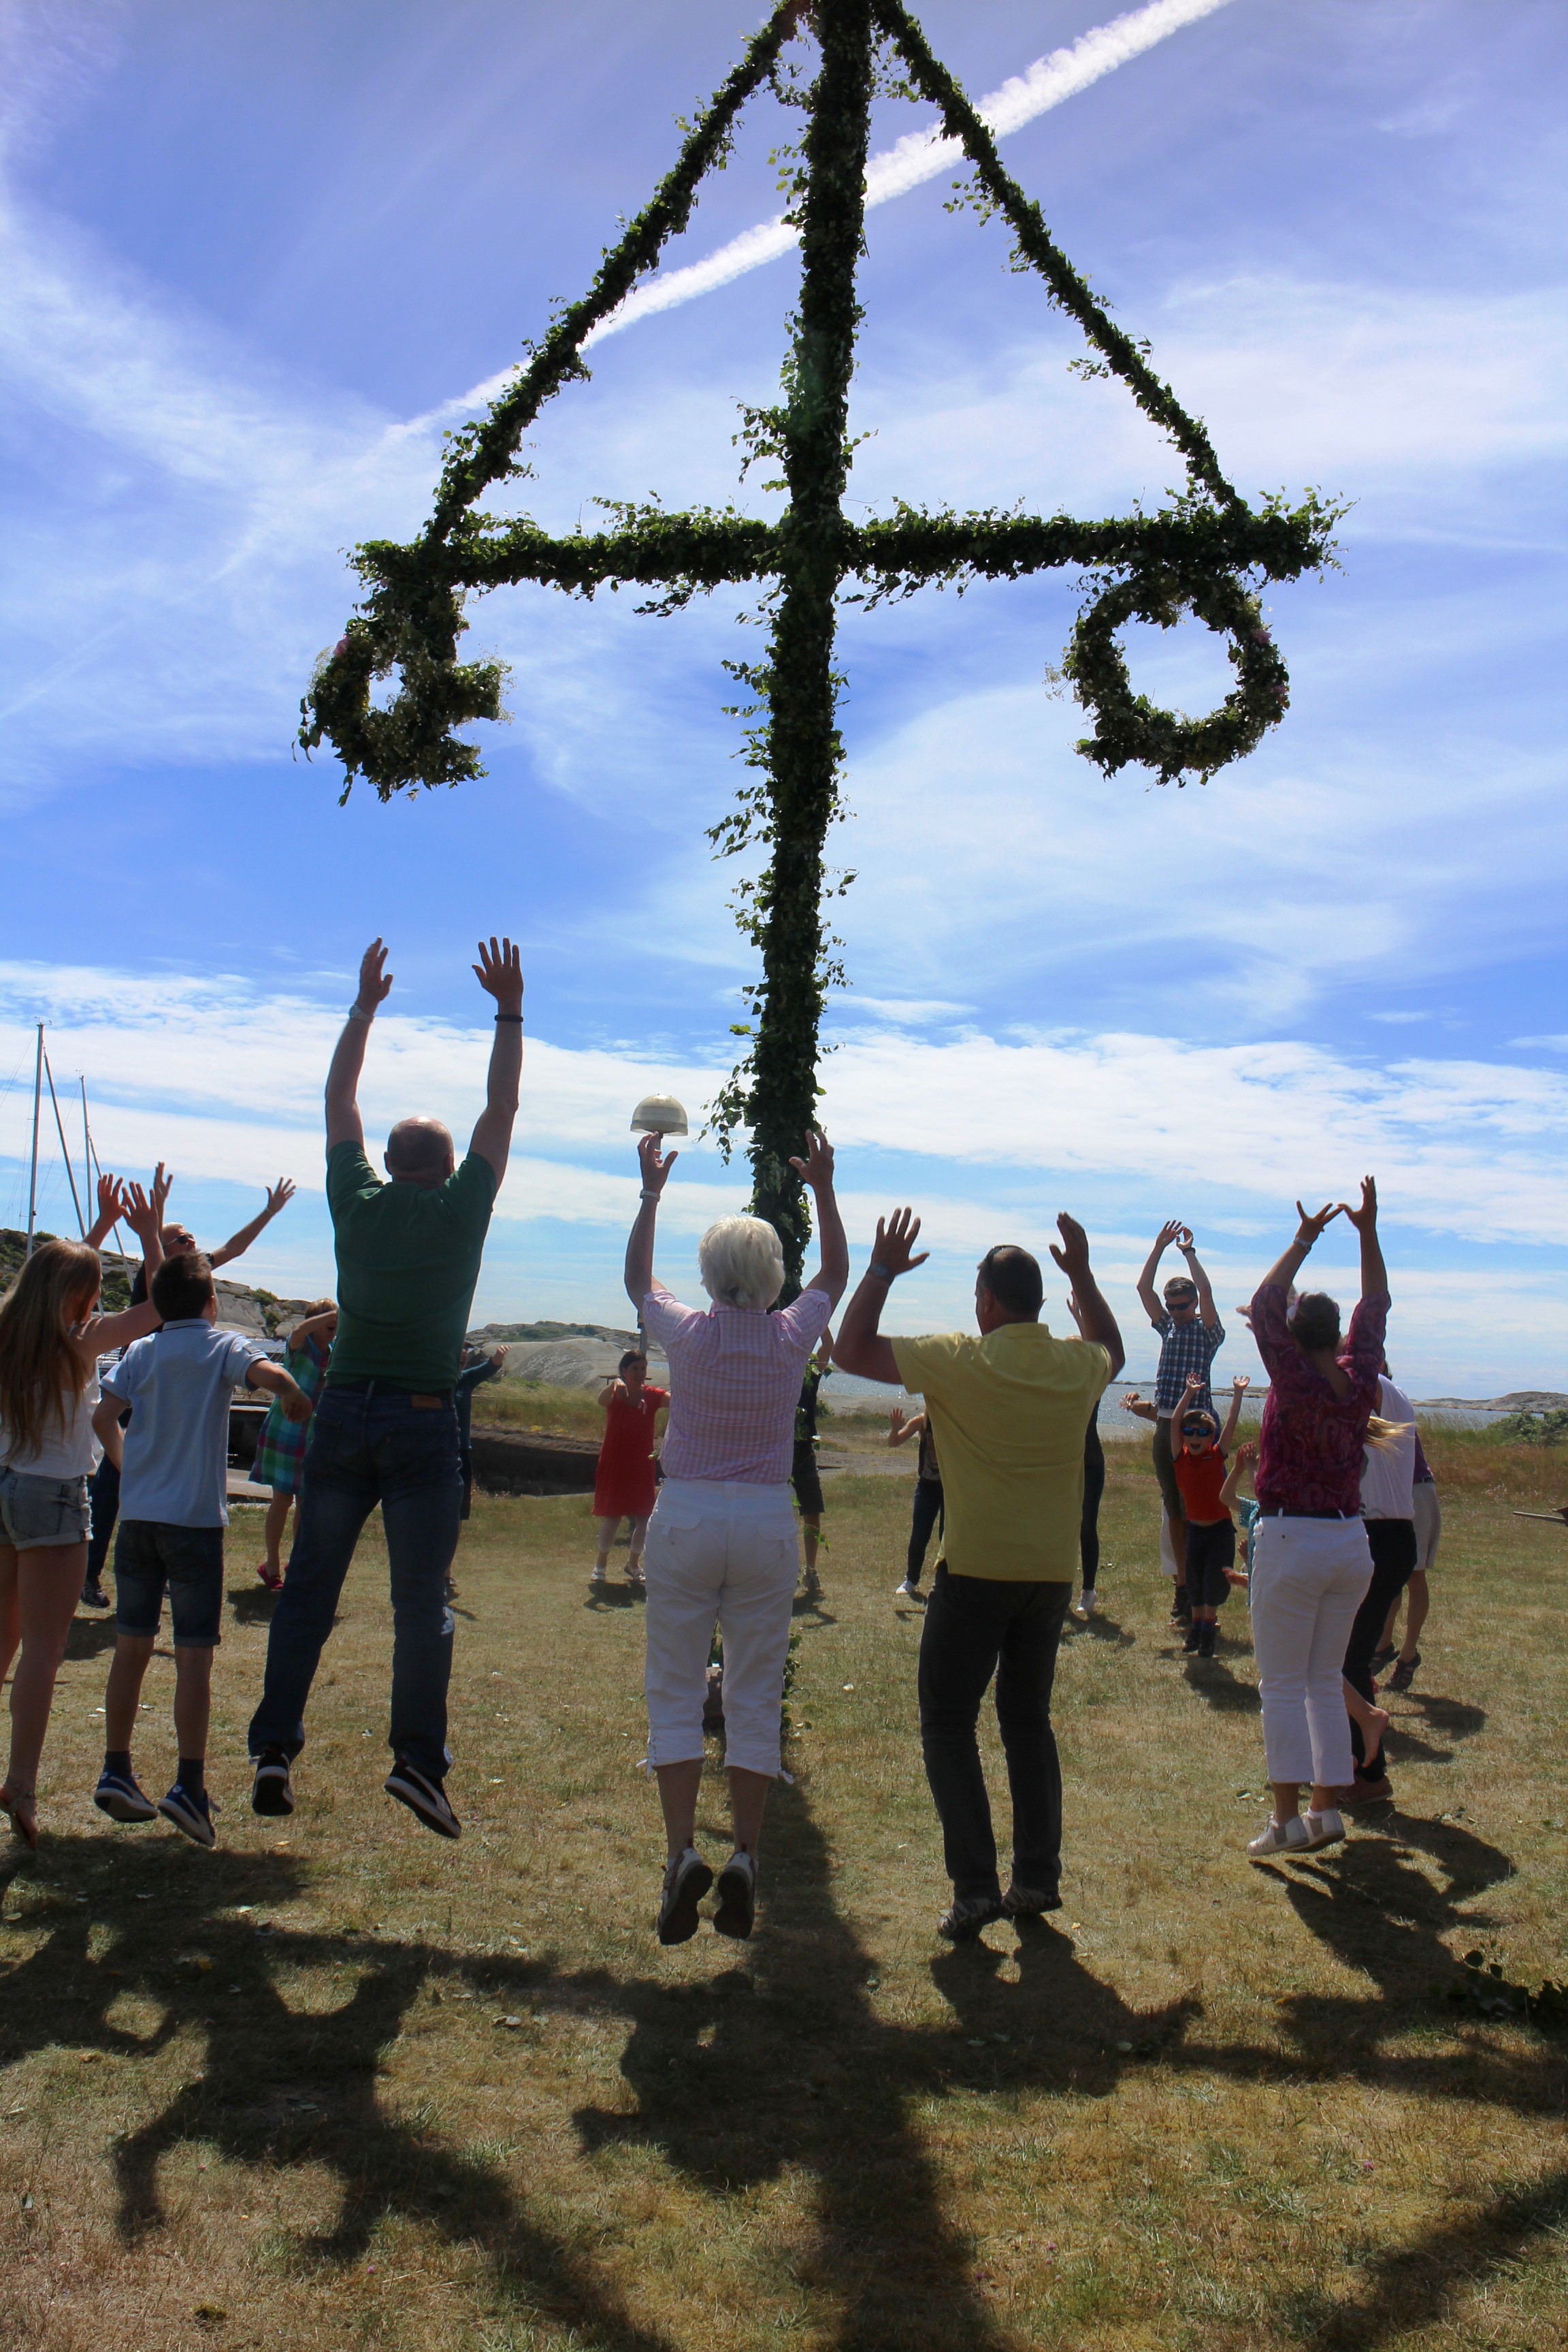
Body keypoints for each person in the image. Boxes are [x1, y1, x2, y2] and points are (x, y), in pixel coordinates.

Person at [246, 934, 524, 1842]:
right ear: (447, 1171)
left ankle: (275, 1750)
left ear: (389, 1161)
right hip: (418, 1422)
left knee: (310, 1592)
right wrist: (508, 1010)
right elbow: (502, 1104)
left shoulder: (354, 1200)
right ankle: (415, 1764)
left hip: (342, 1413)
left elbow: (338, 1100)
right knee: (422, 1604)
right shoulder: (462, 1209)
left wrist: (364, 1006)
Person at [834, 1212, 1124, 1942]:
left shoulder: (961, 1359)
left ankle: (974, 1889)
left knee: (947, 1722)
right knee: (1028, 1723)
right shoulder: (1072, 1366)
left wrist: (881, 1272)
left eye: (976, 1293)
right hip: (1049, 1579)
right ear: (1035, 1301)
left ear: (989, 1302)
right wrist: (1082, 1276)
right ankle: (1035, 1880)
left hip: (976, 1575)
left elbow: (850, 1349)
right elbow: (1113, 1350)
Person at [627, 1126, 847, 1946]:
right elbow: (835, 1275)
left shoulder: (688, 1334)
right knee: (754, 1694)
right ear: (771, 1278)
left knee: (675, 1687)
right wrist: (822, 1188)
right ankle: (746, 1856)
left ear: (711, 1277)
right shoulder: (791, 1336)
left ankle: (683, 1849)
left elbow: (634, 1279)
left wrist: (650, 1194)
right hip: (762, 1518)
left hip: (684, 1513)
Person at [90, 1253, 310, 1844]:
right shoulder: (223, 1346)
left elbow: (104, 1417)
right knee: (193, 1658)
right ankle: (189, 1785)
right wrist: (292, 1392)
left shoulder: (141, 1351)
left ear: (160, 1303)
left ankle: (116, 1767)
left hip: (137, 1520)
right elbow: (269, 1376)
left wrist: (127, 1463)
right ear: (212, 1304)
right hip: (193, 1524)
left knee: (131, 1647)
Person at [0, 1188, 165, 1846]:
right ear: (81, 1297)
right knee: (43, 1651)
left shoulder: (9, 1329)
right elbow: (159, 1311)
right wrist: (149, 1235)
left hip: (3, 1484)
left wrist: (96, 1230)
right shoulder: (83, 1341)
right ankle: (22, 1785)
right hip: (52, 1494)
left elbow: (53, 1275)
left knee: (4, 1641)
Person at [1243, 1178, 1387, 1863]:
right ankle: (1326, 1810)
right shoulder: (1360, 1379)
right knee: (1325, 1680)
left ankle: (1285, 1821)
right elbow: (1377, 1303)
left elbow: (1268, 1300)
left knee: (1282, 1685)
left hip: (1293, 1539)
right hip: (1349, 1543)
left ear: (1296, 1340)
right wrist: (1367, 1231)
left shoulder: (1292, 1377)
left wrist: (1305, 1238)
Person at [82, 1164, 298, 1609]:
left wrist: (270, 1211)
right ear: (162, 1250)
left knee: (158, 1474)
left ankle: (157, 1565)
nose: (192, 1243)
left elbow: (235, 1247)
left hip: (168, 1380)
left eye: (190, 1237)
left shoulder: (194, 1270)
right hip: (140, 1379)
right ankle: (90, 1573)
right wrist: (153, 1222)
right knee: (110, 1482)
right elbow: (162, 1297)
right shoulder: (157, 1279)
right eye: (181, 1239)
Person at [1135, 1222, 1225, 1625]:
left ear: (1193, 1304)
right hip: (1167, 1423)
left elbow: (1207, 1293)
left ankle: (1205, 1587)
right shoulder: (1167, 1328)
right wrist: (1157, 1246)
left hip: (1198, 1427)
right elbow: (1143, 1290)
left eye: (1181, 1306)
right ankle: (1183, 1590)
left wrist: (1188, 1253)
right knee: (1174, 1507)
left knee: (1201, 1509)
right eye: (1171, 1307)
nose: (1174, 1312)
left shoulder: (1208, 1334)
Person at [1338, 1360, 1419, 1806]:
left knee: (1347, 1659)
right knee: (1346, 1656)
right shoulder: (1380, 1396)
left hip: (1381, 1537)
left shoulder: (1378, 1389)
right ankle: (1349, 1767)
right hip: (1380, 1536)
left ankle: (1369, 1776)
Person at [250, 1301, 336, 1589]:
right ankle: (272, 1565)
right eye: (328, 1320)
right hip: (285, 1432)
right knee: (283, 1500)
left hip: (313, 1437)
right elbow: (298, 1330)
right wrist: (329, 1315)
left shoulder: (334, 1356)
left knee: (305, 1504)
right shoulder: (300, 1347)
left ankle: (297, 1562)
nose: (333, 1325)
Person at [1171, 1371, 1250, 1658]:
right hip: (1195, 1531)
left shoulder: (1217, 1455)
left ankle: (1207, 1634)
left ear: (1211, 1437)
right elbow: (1174, 1424)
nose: (1195, 1436)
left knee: (1212, 1583)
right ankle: (1197, 1629)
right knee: (1194, 1582)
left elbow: (1229, 1424)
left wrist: (1238, 1393)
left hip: (1219, 1531)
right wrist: (1189, 1394)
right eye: (1190, 1432)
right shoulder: (1180, 1458)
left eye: (1202, 1432)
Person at [591, 1349, 668, 1589]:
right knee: (613, 1517)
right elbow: (601, 1401)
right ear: (624, 1371)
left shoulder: (652, 1396)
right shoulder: (616, 1394)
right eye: (634, 1369)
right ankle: (600, 1566)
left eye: (643, 1369)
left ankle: (633, 1565)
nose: (640, 1373)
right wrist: (615, 1384)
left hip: (641, 1465)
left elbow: (677, 1401)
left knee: (644, 1518)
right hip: (615, 1463)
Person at [1374, 1435, 1439, 1691]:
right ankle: (1382, 1644)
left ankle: (1409, 1655)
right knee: (1391, 1573)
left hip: (1413, 1490)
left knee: (1413, 1575)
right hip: (1395, 1494)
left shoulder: (1387, 1405)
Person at [451, 1341, 509, 1598]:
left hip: (462, 1454)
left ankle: (446, 1571)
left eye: (463, 1361)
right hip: (437, 1452)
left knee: (456, 1515)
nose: (460, 1365)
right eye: (456, 1360)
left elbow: (488, 1368)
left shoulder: (465, 1380)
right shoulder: (432, 1380)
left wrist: (498, 1357)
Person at [1066, 1293, 1106, 1619]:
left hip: (1089, 1462)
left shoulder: (1092, 1386)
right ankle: (1060, 1588)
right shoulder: (1054, 1386)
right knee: (1062, 1526)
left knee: (1086, 1525)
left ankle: (1088, 1590)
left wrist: (1082, 1321)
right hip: (1062, 1463)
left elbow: (1099, 1353)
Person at [791, 1335, 832, 1601]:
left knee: (812, 1513)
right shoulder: (777, 1369)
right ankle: (777, 1570)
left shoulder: (810, 1373)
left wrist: (821, 1316)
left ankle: (811, 1570)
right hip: (777, 1451)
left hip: (804, 1450)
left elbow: (827, 1346)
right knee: (775, 1513)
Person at [887, 1403, 942, 1602]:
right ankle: (911, 1581)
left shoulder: (953, 1422)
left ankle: (948, 1583)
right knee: (919, 1535)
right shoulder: (921, 1422)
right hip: (927, 1486)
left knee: (948, 1535)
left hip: (949, 1488)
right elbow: (894, 1443)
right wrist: (895, 1428)